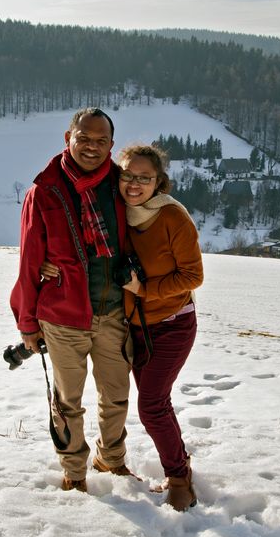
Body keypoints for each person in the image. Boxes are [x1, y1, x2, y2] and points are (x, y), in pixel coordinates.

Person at [42, 144, 204, 511]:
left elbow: (194, 275)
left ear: (158, 182)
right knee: (152, 404)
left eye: (144, 178)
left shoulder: (172, 217)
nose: (134, 184)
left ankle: (180, 478)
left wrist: (145, 290)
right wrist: (45, 266)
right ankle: (169, 465)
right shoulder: (117, 214)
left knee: (151, 405)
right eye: (128, 175)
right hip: (134, 324)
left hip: (173, 324)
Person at [10, 108, 136, 494]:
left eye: (101, 141)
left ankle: (111, 460)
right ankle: (75, 471)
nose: (92, 147)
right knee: (68, 401)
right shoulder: (45, 191)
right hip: (62, 316)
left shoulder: (123, 185)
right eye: (84, 139)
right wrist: (27, 324)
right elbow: (31, 260)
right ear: (68, 139)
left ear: (112, 145)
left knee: (115, 396)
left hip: (114, 310)